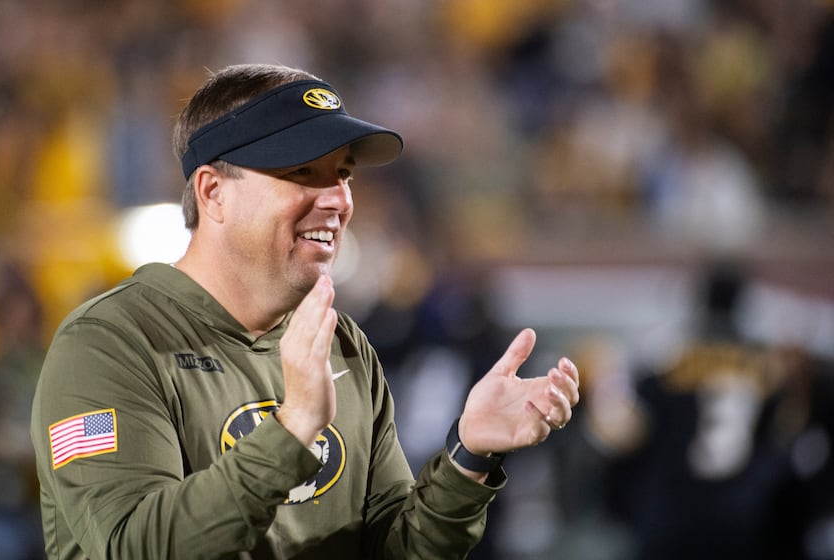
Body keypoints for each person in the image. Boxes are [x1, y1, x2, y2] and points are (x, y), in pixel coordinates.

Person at [30, 63, 580, 560]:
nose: (339, 199)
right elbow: (132, 547)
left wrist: (468, 456)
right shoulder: (107, 344)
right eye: (301, 172)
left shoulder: (343, 344)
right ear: (213, 192)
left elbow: (395, 548)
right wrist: (291, 429)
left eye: (343, 173)